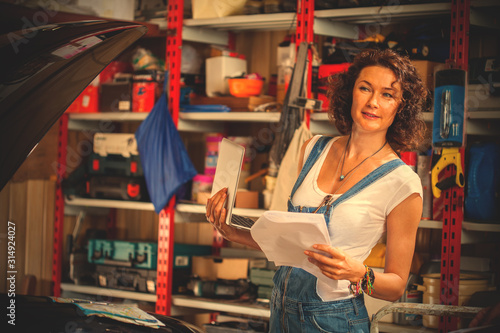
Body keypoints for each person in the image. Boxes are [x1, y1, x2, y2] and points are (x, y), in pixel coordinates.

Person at [205, 48, 430, 332]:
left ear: (401, 107)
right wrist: (233, 232)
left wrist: (359, 274)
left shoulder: (402, 183)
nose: (373, 102)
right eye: (365, 88)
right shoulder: (313, 149)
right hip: (279, 308)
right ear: (350, 93)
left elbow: (396, 285)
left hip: (334, 319)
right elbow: (291, 246)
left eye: (388, 94)